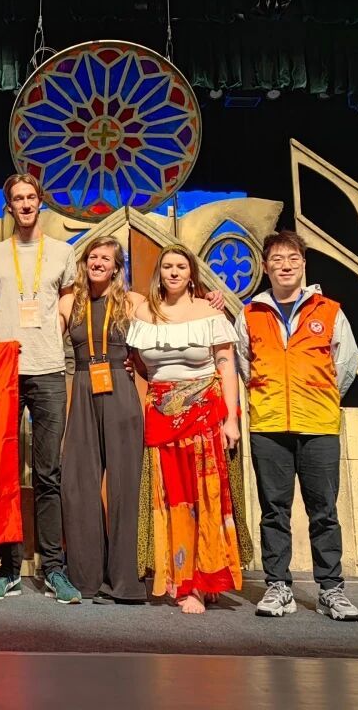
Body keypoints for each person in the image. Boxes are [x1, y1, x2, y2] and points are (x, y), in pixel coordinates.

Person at [234, 230, 358, 621]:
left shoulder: (329, 310)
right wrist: (269, 398)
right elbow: (244, 365)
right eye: (277, 259)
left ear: (303, 264)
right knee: (274, 511)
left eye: (292, 258)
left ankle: (331, 589)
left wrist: (318, 398)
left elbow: (345, 365)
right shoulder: (249, 314)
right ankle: (278, 586)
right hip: (269, 425)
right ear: (265, 266)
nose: (285, 266)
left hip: (318, 425)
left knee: (324, 511)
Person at [0, 174, 80, 604]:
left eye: (32, 197)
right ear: (9, 206)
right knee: (5, 476)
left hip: (48, 368)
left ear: (40, 202)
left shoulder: (63, 252)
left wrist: (59, 325)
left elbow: (68, 297)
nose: (26, 204)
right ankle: (8, 569)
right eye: (18, 198)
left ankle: (54, 569)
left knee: (49, 474)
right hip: (4, 371)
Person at [127, 245, 243, 614]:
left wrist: (231, 419)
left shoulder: (210, 311)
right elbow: (140, 365)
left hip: (204, 414)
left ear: (191, 273)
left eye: (181, 266)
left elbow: (226, 366)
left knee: (204, 497)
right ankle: (182, 580)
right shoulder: (143, 312)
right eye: (167, 266)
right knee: (173, 499)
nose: (174, 272)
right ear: (159, 272)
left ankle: (205, 580)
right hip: (161, 415)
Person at [57, 236, 147, 604]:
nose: (97, 263)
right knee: (77, 482)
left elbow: (170, 321)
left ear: (116, 267)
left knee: (125, 484)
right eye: (92, 256)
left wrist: (209, 298)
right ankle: (85, 578)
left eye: (105, 258)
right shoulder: (69, 302)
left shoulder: (133, 301)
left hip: (120, 389)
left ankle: (125, 582)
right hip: (82, 387)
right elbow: (41, 335)